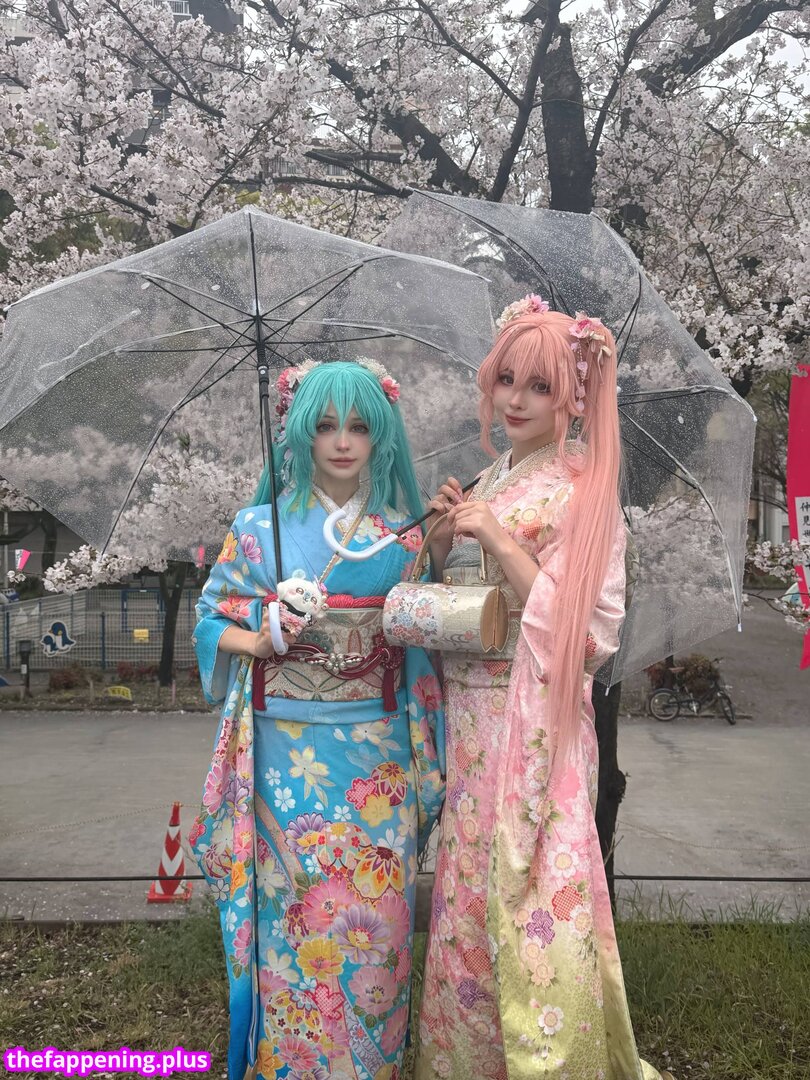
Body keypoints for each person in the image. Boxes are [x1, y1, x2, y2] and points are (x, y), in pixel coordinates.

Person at [415, 297, 670, 1080]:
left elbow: (586, 636)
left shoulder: (584, 488)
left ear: (575, 398)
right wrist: (441, 538)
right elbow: (456, 601)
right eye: (507, 382)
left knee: (526, 894)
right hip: (471, 719)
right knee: (466, 887)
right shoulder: (495, 476)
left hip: (530, 722)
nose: (517, 401)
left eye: (540, 387)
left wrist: (497, 538)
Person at [189, 359, 445, 1080]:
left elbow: (423, 635)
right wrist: (263, 632)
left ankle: (372, 1065)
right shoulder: (257, 528)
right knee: (291, 911)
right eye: (326, 425)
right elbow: (211, 619)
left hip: (378, 759)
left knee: (378, 922)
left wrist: (437, 552)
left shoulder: (401, 536)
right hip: (286, 755)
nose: (341, 441)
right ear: (300, 431)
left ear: (380, 435)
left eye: (359, 427)